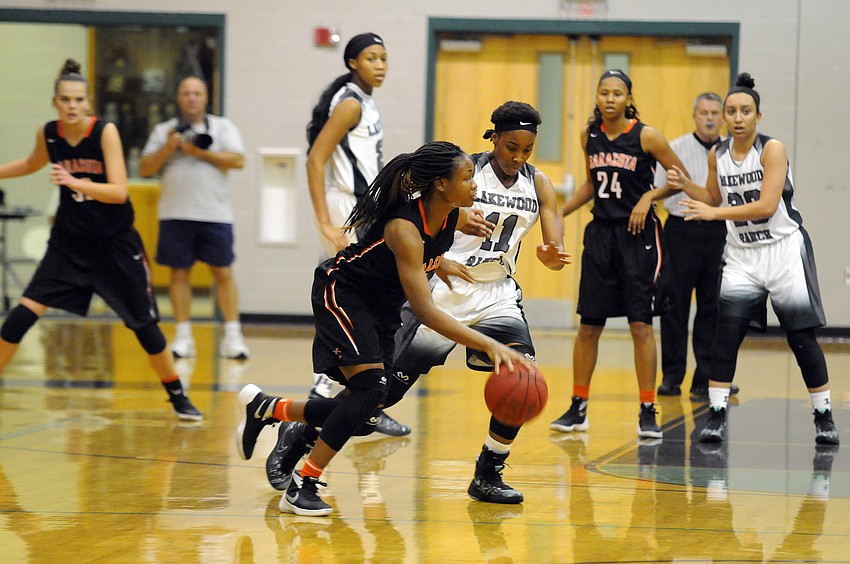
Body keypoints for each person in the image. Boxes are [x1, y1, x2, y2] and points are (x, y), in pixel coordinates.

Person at [236, 141, 533, 517]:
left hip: (380, 305)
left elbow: (428, 247)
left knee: (370, 401)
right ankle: (303, 484)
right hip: (344, 292)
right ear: (440, 184)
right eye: (467, 177)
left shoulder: (451, 215)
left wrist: (442, 265)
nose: (475, 185)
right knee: (370, 390)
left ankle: (270, 409)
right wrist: (491, 345)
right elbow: (426, 310)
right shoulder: (403, 228)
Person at [0, 59, 201, 421]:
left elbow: (119, 192)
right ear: (55, 102)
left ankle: (177, 395)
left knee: (144, 327)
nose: (72, 106)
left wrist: (75, 183)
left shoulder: (104, 132)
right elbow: (31, 163)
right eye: (65, 100)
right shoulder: (49, 133)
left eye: (78, 99)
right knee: (18, 318)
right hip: (68, 244)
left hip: (114, 245)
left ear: (89, 102)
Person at [390, 101, 569, 504]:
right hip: (446, 286)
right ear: (494, 138)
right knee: (384, 391)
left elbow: (553, 243)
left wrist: (550, 256)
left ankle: (488, 470)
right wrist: (439, 258)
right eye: (511, 147)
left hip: (497, 293)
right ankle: (307, 431)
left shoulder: (537, 183)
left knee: (524, 379)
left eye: (526, 149)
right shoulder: (464, 172)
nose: (518, 157)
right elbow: (418, 222)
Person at [667, 73, 839, 445]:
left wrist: (715, 215)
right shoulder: (717, 154)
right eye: (732, 111)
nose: (738, 116)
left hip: (783, 250)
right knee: (724, 335)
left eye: (745, 110)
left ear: (758, 116)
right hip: (743, 255)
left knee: (801, 338)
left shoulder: (771, 148)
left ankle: (823, 415)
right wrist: (687, 186)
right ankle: (716, 415)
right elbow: (714, 197)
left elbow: (766, 205)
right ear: (726, 118)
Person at [549, 69, 688, 439]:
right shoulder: (588, 135)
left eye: (617, 93)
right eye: (604, 92)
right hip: (601, 238)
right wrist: (558, 213)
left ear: (629, 99)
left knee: (640, 325)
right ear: (597, 97)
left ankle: (647, 409)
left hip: (638, 238)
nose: (610, 99)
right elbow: (592, 184)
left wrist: (649, 196)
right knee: (588, 326)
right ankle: (578, 407)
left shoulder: (647, 136)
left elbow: (680, 178)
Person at [302, 31, 408, 436]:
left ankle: (364, 399)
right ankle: (324, 397)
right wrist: (326, 222)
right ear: (352, 63)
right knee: (347, 304)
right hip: (345, 208)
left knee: (373, 303)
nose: (380, 65)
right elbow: (315, 159)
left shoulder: (363, 99)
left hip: (363, 208)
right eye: (371, 58)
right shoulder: (349, 103)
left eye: (384, 58)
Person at [139, 76, 249, 360]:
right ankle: (183, 336)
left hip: (215, 214)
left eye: (197, 93)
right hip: (175, 214)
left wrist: (197, 152)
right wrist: (168, 148)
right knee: (179, 274)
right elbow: (145, 169)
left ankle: (233, 336)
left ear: (206, 97)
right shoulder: (164, 131)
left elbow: (238, 160)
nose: (191, 98)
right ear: (178, 98)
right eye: (186, 93)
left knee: (223, 272)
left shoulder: (223, 127)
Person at [654, 93, 739, 399]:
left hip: (718, 231)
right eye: (704, 112)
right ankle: (672, 377)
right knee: (674, 305)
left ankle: (707, 378)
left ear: (724, 117)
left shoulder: (732, 152)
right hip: (681, 229)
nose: (710, 118)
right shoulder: (675, 148)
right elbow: (661, 189)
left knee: (713, 306)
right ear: (694, 115)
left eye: (716, 112)